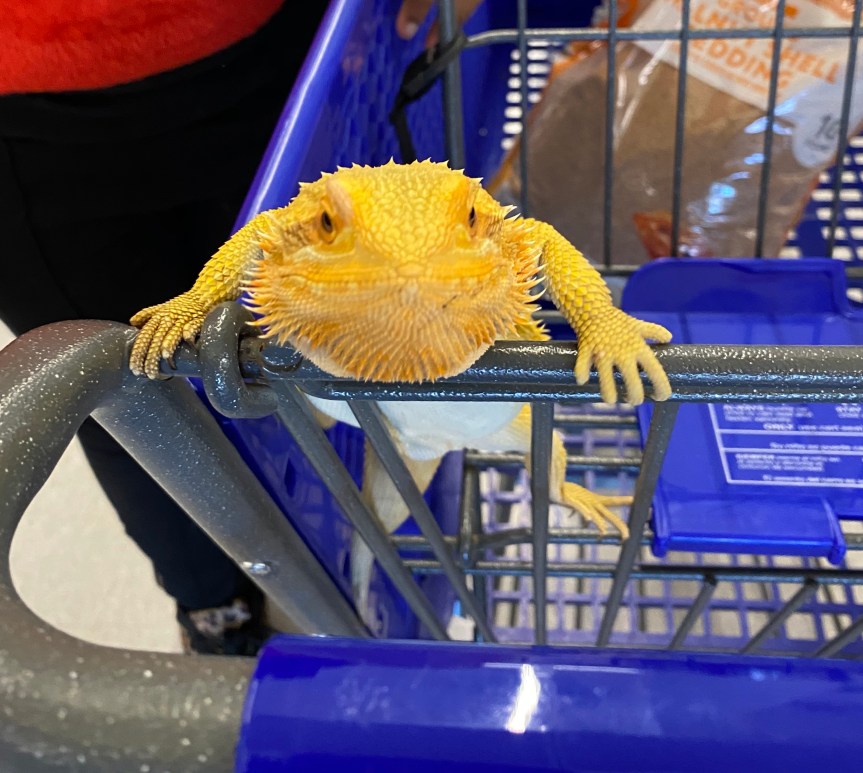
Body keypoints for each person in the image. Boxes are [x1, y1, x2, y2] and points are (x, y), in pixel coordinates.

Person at [0, 0, 482, 655]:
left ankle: (313, 563)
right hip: (30, 100)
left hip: (274, 47)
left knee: (318, 339)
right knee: (137, 396)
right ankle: (216, 609)